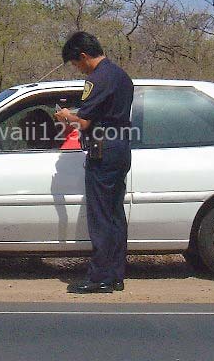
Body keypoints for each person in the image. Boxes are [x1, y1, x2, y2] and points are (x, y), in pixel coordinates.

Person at [54, 31, 133, 294]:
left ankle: (99, 277)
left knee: (100, 217)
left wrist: (66, 115)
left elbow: (85, 122)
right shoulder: (121, 76)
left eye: (77, 64)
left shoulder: (97, 79)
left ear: (84, 56)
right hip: (121, 146)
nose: (79, 69)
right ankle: (116, 274)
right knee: (114, 215)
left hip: (103, 149)